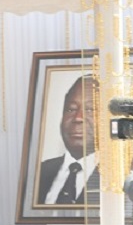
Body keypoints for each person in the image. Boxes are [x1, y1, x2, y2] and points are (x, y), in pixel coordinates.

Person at [37, 75, 99, 205]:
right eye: (71, 109)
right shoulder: (40, 172)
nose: (78, 118)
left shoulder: (119, 176)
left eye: (90, 109)